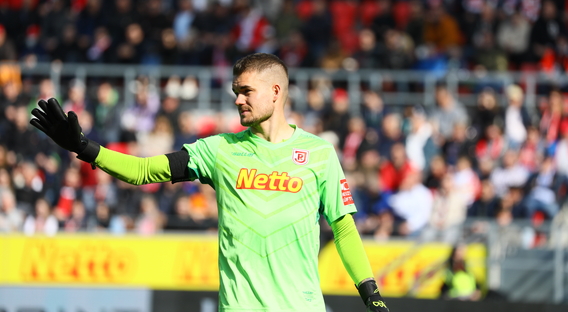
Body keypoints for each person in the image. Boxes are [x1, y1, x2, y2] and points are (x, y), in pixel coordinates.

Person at [30, 53, 389, 312]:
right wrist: (85, 148)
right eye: (236, 91)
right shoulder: (219, 151)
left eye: (247, 91)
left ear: (276, 92)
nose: (238, 99)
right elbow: (142, 171)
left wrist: (370, 292)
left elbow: (343, 229)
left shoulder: (320, 153)